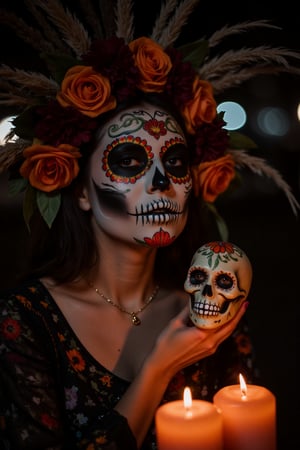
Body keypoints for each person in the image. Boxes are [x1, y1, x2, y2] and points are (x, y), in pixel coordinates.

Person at [0, 1, 299, 449]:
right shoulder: (24, 321)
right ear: (80, 190)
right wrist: (159, 366)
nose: (161, 183)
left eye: (175, 162)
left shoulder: (211, 305)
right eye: (128, 161)